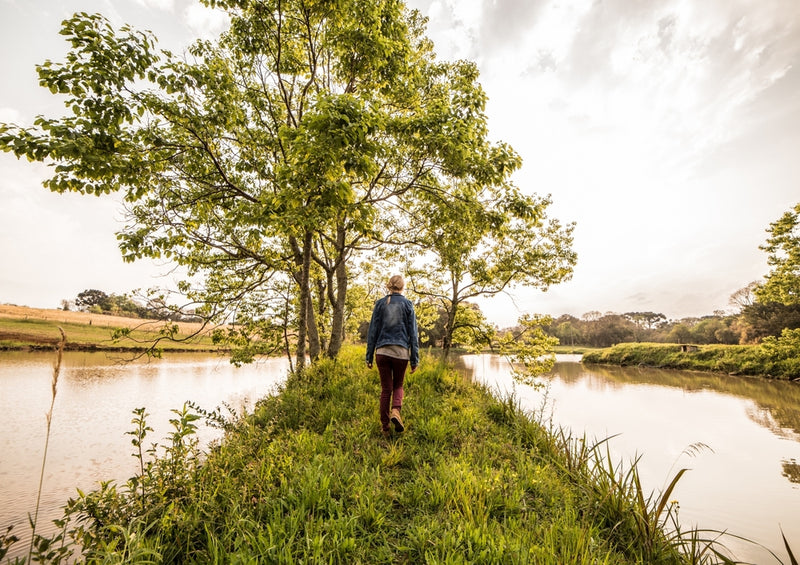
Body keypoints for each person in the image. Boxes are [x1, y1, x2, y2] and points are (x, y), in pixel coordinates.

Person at [366, 274, 419, 436]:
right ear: (402, 287)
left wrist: (369, 355)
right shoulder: (408, 304)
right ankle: (396, 410)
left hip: (382, 351)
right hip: (401, 352)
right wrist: (414, 359)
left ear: (389, 286)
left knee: (385, 389)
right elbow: (413, 334)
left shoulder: (380, 304)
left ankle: (385, 428)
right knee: (398, 385)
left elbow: (372, 331)